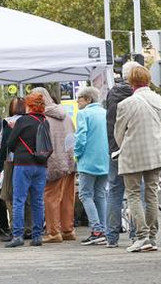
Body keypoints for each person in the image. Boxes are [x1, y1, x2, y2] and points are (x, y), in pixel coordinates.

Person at [115, 66, 161, 253]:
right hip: (155, 152)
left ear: (130, 82)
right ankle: (152, 237)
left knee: (134, 194)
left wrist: (125, 145)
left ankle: (142, 236)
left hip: (133, 154)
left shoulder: (126, 104)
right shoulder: (160, 100)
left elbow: (119, 132)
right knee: (152, 194)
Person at [30, 88, 77, 244]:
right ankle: (68, 230)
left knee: (50, 198)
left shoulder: (43, 119)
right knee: (67, 198)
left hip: (53, 163)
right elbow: (73, 138)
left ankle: (53, 232)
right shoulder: (66, 116)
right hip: (69, 162)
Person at [5, 93, 49, 248]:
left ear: (29, 105)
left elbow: (10, 143)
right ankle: (37, 236)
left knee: (19, 200)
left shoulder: (22, 121)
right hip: (41, 164)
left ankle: (18, 235)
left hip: (23, 164)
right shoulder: (44, 121)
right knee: (37, 201)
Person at [104, 61, 139, 247]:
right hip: (133, 149)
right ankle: (136, 234)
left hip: (114, 149)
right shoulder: (138, 95)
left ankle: (111, 236)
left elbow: (109, 123)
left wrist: (112, 147)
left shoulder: (112, 94)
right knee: (136, 191)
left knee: (114, 192)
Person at [74, 86, 109, 245]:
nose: (77, 102)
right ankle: (105, 229)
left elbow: (81, 137)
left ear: (88, 99)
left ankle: (96, 229)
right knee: (100, 194)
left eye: (79, 99)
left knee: (85, 194)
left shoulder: (83, 114)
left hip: (88, 160)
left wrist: (77, 154)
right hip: (105, 160)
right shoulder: (105, 113)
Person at [0, 97, 30, 241]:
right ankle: (29, 227)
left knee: (10, 196)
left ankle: (16, 228)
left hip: (12, 162)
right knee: (29, 197)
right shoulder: (31, 120)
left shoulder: (8, 122)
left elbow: (5, 145)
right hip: (31, 162)